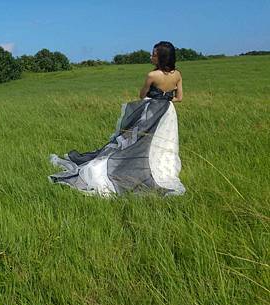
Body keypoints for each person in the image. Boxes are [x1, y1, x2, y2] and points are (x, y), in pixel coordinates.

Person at [49, 41, 185, 196]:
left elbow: (142, 95)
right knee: (163, 143)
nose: (151, 57)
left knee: (139, 140)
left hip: (151, 110)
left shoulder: (152, 75)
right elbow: (179, 98)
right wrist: (165, 100)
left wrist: (156, 100)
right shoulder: (178, 74)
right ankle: (161, 168)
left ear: (162, 57)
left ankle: (130, 165)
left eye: (154, 54)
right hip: (168, 113)